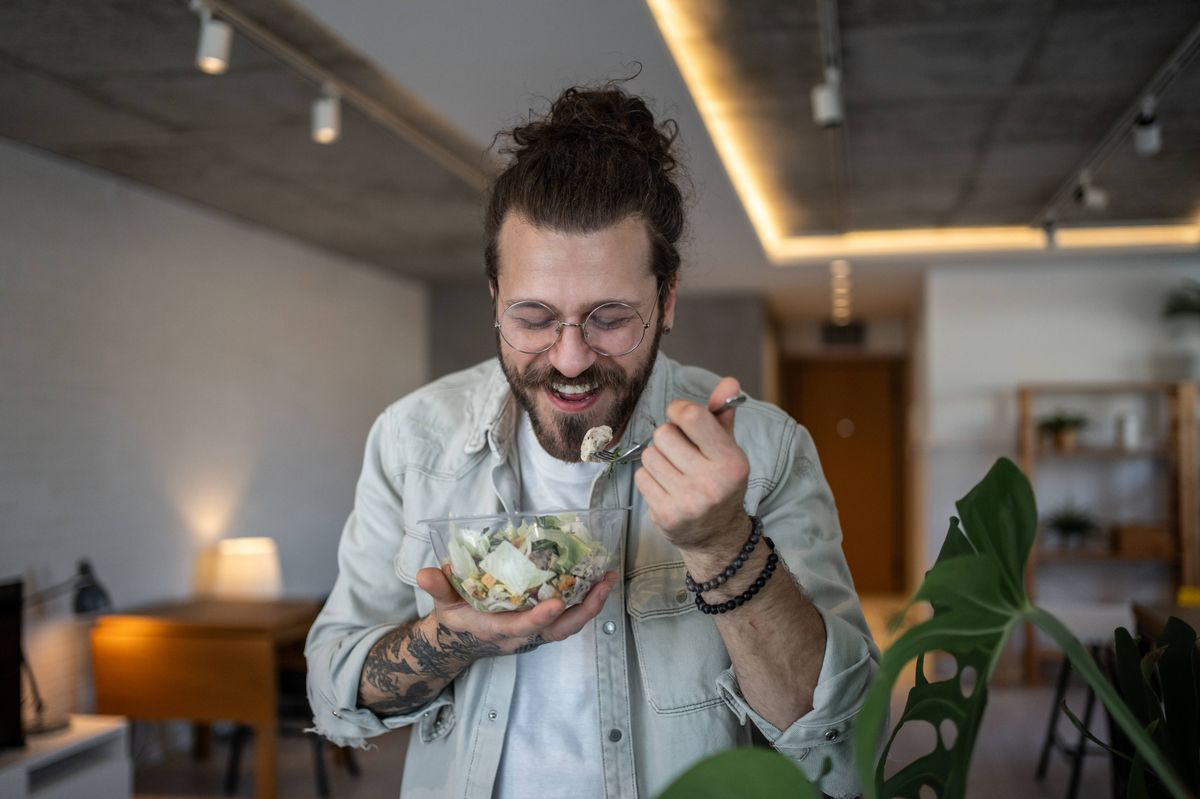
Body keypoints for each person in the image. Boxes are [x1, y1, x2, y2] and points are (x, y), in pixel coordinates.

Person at [305, 82, 878, 799]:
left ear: (666, 300)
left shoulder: (769, 450)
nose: (570, 358)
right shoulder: (412, 439)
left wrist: (724, 544)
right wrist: (453, 636)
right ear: (493, 297)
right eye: (534, 316)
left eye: (609, 317)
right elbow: (334, 689)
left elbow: (843, 753)